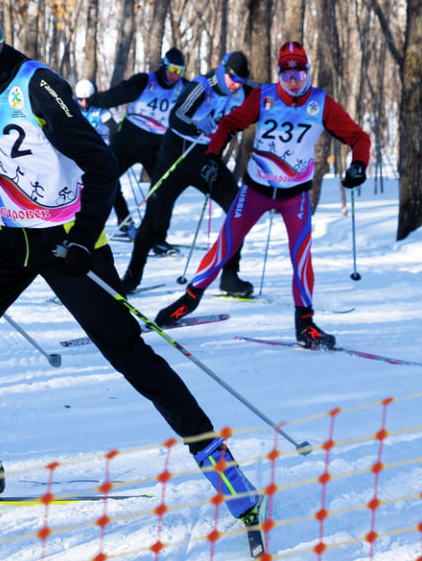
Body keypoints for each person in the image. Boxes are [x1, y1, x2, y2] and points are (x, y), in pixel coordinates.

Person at [0, 0, 261, 521]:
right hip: (11, 236)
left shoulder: (38, 87)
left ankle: (216, 459)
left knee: (129, 353)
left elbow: (100, 165)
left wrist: (81, 239)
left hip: (67, 240)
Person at [156, 41, 371, 349]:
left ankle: (305, 325)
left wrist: (359, 166)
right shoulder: (264, 96)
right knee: (224, 245)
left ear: (308, 73)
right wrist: (212, 157)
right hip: (256, 190)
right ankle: (187, 302)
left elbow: (358, 137)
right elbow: (229, 123)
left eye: (300, 74)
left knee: (301, 256)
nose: (294, 82)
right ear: (279, 74)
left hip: (295, 195)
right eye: (287, 75)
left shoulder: (320, 102)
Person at [121, 51, 256, 298]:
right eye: (233, 79)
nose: (237, 85)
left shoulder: (243, 88)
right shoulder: (201, 87)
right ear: (221, 70)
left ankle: (230, 277)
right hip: (176, 159)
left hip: (206, 161)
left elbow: (269, 93)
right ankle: (131, 277)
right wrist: (196, 124)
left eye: (241, 81)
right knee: (153, 219)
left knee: (239, 209)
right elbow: (177, 116)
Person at [85, 49, 187, 244]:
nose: (175, 74)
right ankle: (118, 224)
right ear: (164, 66)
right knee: (106, 177)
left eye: (179, 70)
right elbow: (117, 95)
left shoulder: (184, 87)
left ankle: (157, 237)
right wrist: (94, 101)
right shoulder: (144, 81)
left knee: (164, 190)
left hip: (158, 145)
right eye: (172, 69)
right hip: (129, 140)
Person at [73, 79, 112, 143]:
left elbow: (114, 128)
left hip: (101, 145)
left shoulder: (101, 109)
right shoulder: (72, 107)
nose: (84, 103)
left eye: (87, 99)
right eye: (80, 99)